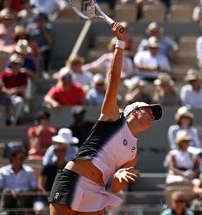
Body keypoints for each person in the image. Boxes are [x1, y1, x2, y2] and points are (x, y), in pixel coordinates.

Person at [48, 23, 163, 214]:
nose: (151, 116)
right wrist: (120, 43)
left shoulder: (133, 153)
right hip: (72, 179)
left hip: (96, 191)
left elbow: (116, 187)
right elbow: (114, 77)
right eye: (148, 111)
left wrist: (118, 176)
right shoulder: (112, 117)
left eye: (153, 116)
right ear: (133, 112)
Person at [0, 146, 38, 213]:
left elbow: (34, 188)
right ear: (13, 158)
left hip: (24, 199)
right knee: (7, 192)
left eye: (23, 158)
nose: (22, 160)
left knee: (20, 193)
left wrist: (21, 192)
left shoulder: (29, 171)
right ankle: (4, 212)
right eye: (20, 158)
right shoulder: (3, 171)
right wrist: (11, 192)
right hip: (7, 198)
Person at [1, 54, 28, 125]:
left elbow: (24, 87)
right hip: (5, 96)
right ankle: (7, 120)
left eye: (18, 64)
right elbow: (1, 86)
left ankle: (12, 122)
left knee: (19, 101)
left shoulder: (23, 75)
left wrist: (14, 90)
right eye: (14, 64)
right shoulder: (5, 75)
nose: (16, 66)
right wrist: (7, 92)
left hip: (17, 96)